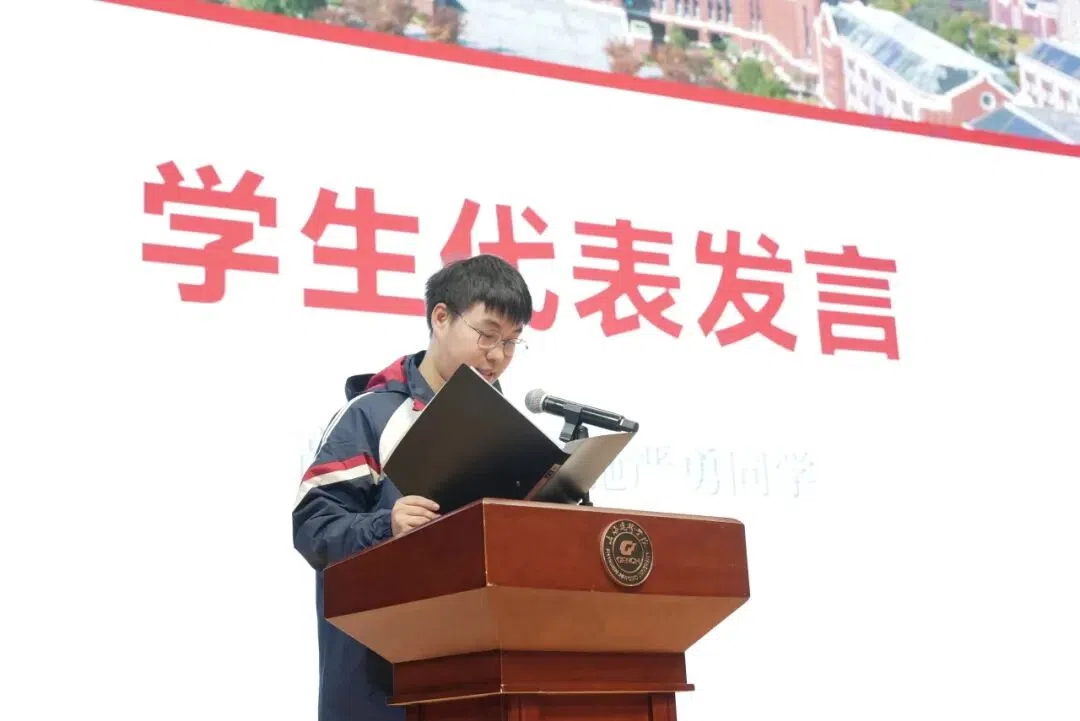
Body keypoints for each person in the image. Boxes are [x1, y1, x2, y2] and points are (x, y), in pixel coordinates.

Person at [292, 254, 534, 721]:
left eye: (512, 341)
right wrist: (386, 526)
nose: (499, 356)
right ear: (441, 318)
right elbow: (313, 528)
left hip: (476, 678)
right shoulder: (372, 416)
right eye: (487, 335)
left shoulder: (504, 430)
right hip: (378, 687)